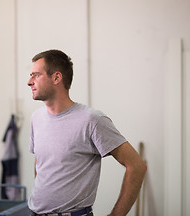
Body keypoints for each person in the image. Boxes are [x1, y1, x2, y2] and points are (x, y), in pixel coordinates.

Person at [27, 49, 147, 216]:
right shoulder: (36, 118)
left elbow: (137, 166)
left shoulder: (91, 120)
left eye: (35, 75)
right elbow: (40, 163)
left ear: (56, 77)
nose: (29, 82)